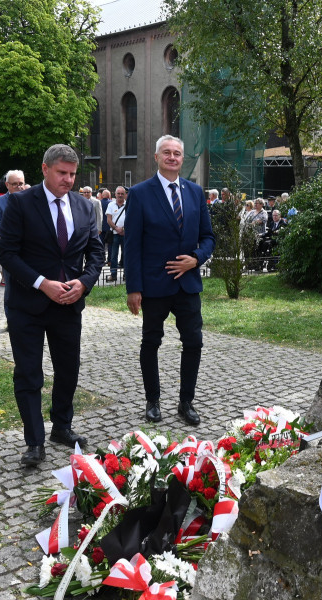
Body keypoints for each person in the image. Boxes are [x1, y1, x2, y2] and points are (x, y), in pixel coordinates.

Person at [0, 144, 105, 468]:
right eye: (62, 173)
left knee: (68, 370)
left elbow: (96, 253)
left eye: (73, 174)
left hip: (68, 304)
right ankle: (34, 442)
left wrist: (84, 282)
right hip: (27, 304)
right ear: (44, 170)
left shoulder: (85, 208)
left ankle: (62, 426)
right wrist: (42, 282)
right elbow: (8, 254)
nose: (69, 180)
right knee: (29, 374)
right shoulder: (19, 203)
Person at [124, 135, 215, 426]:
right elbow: (133, 244)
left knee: (194, 342)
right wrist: (133, 288)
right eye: (167, 153)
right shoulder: (139, 193)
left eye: (177, 153)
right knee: (151, 342)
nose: (172, 157)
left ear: (182, 158)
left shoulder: (195, 192)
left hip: (187, 284)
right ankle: (153, 401)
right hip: (154, 285)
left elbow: (208, 237)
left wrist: (197, 258)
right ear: (156, 157)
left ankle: (186, 401)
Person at [0, 170, 25, 300]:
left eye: (21, 183)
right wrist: (14, 231)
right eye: (14, 184)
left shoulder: (33, 198)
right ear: (7, 185)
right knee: (12, 289)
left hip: (32, 250)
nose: (19, 186)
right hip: (11, 250)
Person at [105, 186, 127, 282]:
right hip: (114, 234)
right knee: (114, 255)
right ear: (115, 194)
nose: (120, 195)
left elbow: (131, 219)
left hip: (126, 234)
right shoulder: (111, 205)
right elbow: (108, 220)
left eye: (122, 193)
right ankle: (113, 275)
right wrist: (116, 228)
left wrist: (124, 229)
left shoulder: (128, 204)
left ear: (125, 194)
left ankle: (126, 275)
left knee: (126, 255)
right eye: (118, 193)